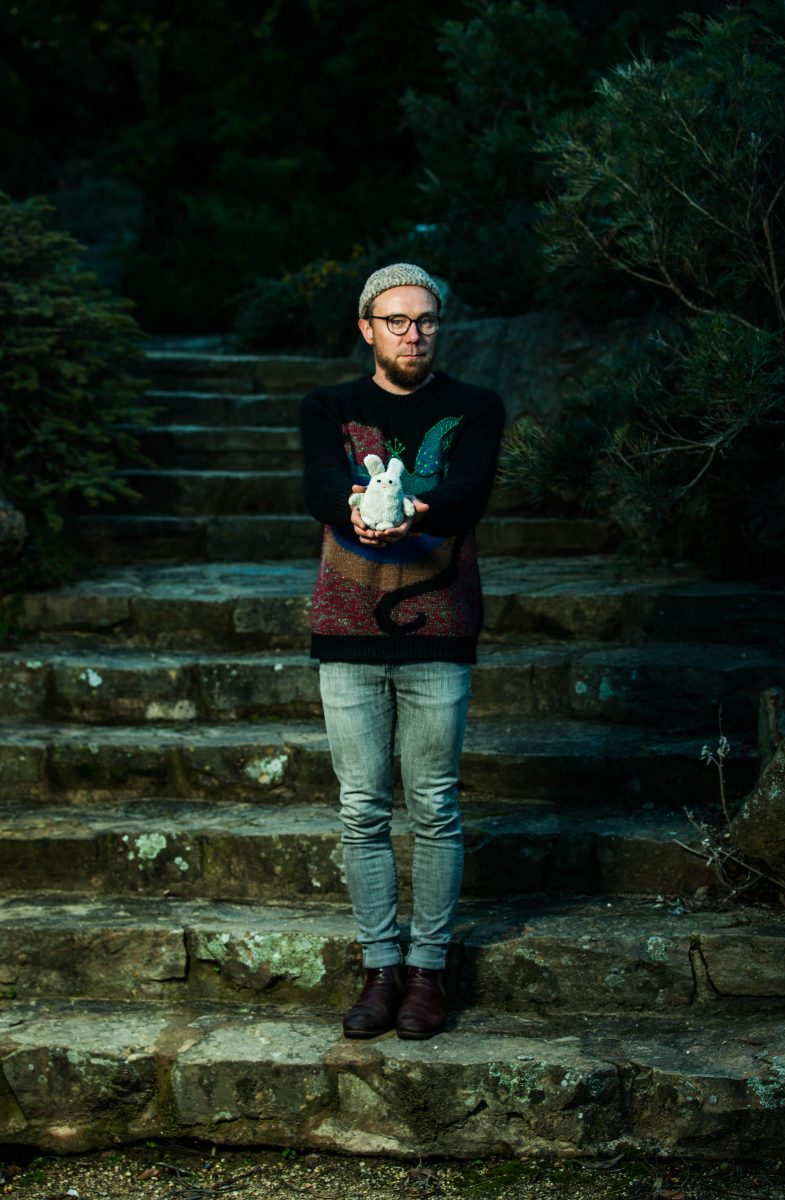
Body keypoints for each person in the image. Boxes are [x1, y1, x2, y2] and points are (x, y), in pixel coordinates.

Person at [299, 262, 505, 1039]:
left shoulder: (475, 407)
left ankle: (428, 973)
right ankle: (380, 969)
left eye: (425, 320)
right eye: (396, 321)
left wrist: (413, 506)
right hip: (346, 626)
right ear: (367, 327)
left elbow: (469, 494)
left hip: (442, 624)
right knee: (361, 810)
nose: (412, 334)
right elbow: (319, 486)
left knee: (437, 806)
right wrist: (358, 507)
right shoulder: (329, 406)